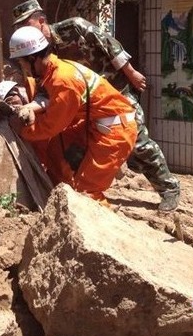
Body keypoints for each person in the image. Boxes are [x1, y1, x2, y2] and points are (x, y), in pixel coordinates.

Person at [12, 0, 181, 211]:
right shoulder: (38, 51)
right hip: (84, 102)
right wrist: (30, 107)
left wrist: (131, 73)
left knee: (138, 140)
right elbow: (46, 92)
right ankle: (79, 183)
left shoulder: (73, 28)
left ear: (41, 21)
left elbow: (110, 45)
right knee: (69, 141)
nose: (24, 33)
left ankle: (168, 187)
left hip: (113, 87)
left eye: (26, 26)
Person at [8, 25, 137, 204]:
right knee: (55, 150)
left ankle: (97, 225)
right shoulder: (57, 69)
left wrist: (23, 131)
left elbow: (51, 125)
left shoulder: (63, 80)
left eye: (21, 63)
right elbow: (49, 98)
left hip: (115, 132)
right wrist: (30, 107)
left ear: (32, 58)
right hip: (97, 123)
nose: (23, 68)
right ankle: (60, 196)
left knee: (88, 191)